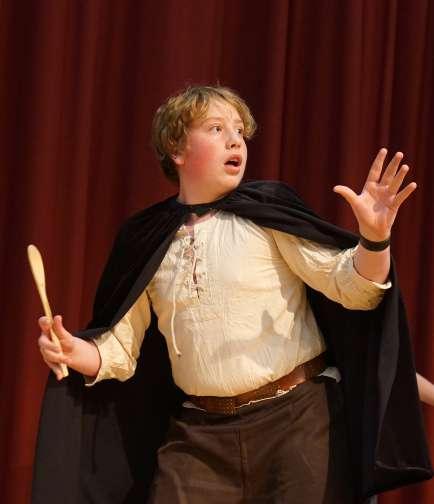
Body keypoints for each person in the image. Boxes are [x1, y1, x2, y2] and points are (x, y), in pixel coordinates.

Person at [35, 85, 432, 503]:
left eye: (240, 131)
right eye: (216, 128)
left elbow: (354, 290)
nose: (234, 140)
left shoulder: (269, 213)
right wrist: (75, 351)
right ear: (176, 149)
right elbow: (121, 348)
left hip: (299, 421)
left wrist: (374, 240)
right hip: (201, 436)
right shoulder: (148, 239)